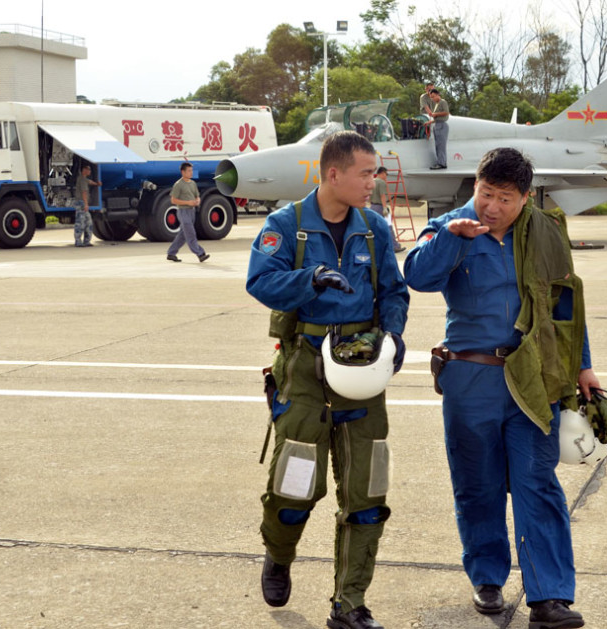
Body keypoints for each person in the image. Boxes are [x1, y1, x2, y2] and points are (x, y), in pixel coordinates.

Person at [404, 147, 597, 629]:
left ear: (525, 197)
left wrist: (583, 366)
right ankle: (487, 578)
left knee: (538, 484)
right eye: (485, 193)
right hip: (471, 379)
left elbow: (564, 306)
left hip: (534, 378)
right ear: (475, 184)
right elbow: (417, 276)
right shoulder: (448, 226)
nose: (491, 206)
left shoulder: (545, 232)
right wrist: (452, 240)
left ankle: (549, 597)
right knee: (478, 484)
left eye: (504, 198)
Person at [246, 130, 410, 629]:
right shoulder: (287, 226)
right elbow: (260, 281)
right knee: (294, 490)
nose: (373, 182)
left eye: (375, 173)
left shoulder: (374, 228)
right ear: (333, 174)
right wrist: (310, 279)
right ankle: (279, 554)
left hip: (362, 373)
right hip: (305, 375)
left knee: (367, 496)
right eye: (366, 173)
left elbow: (394, 291)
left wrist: (394, 336)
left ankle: (349, 603)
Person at [166, 162, 209, 262]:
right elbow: (173, 200)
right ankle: (200, 254)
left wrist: (197, 200)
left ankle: (171, 253)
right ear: (183, 172)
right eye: (189, 171)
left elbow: (197, 196)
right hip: (183, 212)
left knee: (182, 235)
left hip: (191, 212)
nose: (191, 172)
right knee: (191, 234)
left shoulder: (193, 183)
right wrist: (188, 202)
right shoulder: (178, 184)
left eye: (191, 170)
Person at [370, 166, 404, 253]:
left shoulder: (372, 181)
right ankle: (394, 246)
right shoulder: (381, 182)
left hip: (372, 207)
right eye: (386, 174)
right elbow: (382, 196)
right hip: (380, 207)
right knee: (388, 226)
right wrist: (385, 208)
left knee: (374, 227)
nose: (386, 176)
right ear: (382, 173)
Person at [73, 164, 100, 247]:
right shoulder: (82, 180)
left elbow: (90, 182)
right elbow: (84, 192)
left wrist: (97, 184)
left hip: (83, 203)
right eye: (89, 169)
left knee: (88, 222)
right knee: (80, 222)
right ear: (84, 170)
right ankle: (78, 241)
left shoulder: (84, 179)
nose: (90, 171)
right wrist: (86, 204)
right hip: (81, 203)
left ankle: (86, 241)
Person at [427, 89, 449, 170]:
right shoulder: (436, 104)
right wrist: (430, 122)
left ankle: (441, 163)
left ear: (437, 95)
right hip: (437, 124)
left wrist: (435, 114)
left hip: (441, 125)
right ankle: (440, 162)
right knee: (438, 145)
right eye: (431, 97)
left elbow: (446, 112)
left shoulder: (443, 102)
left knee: (441, 145)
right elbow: (437, 117)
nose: (432, 99)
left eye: (433, 96)